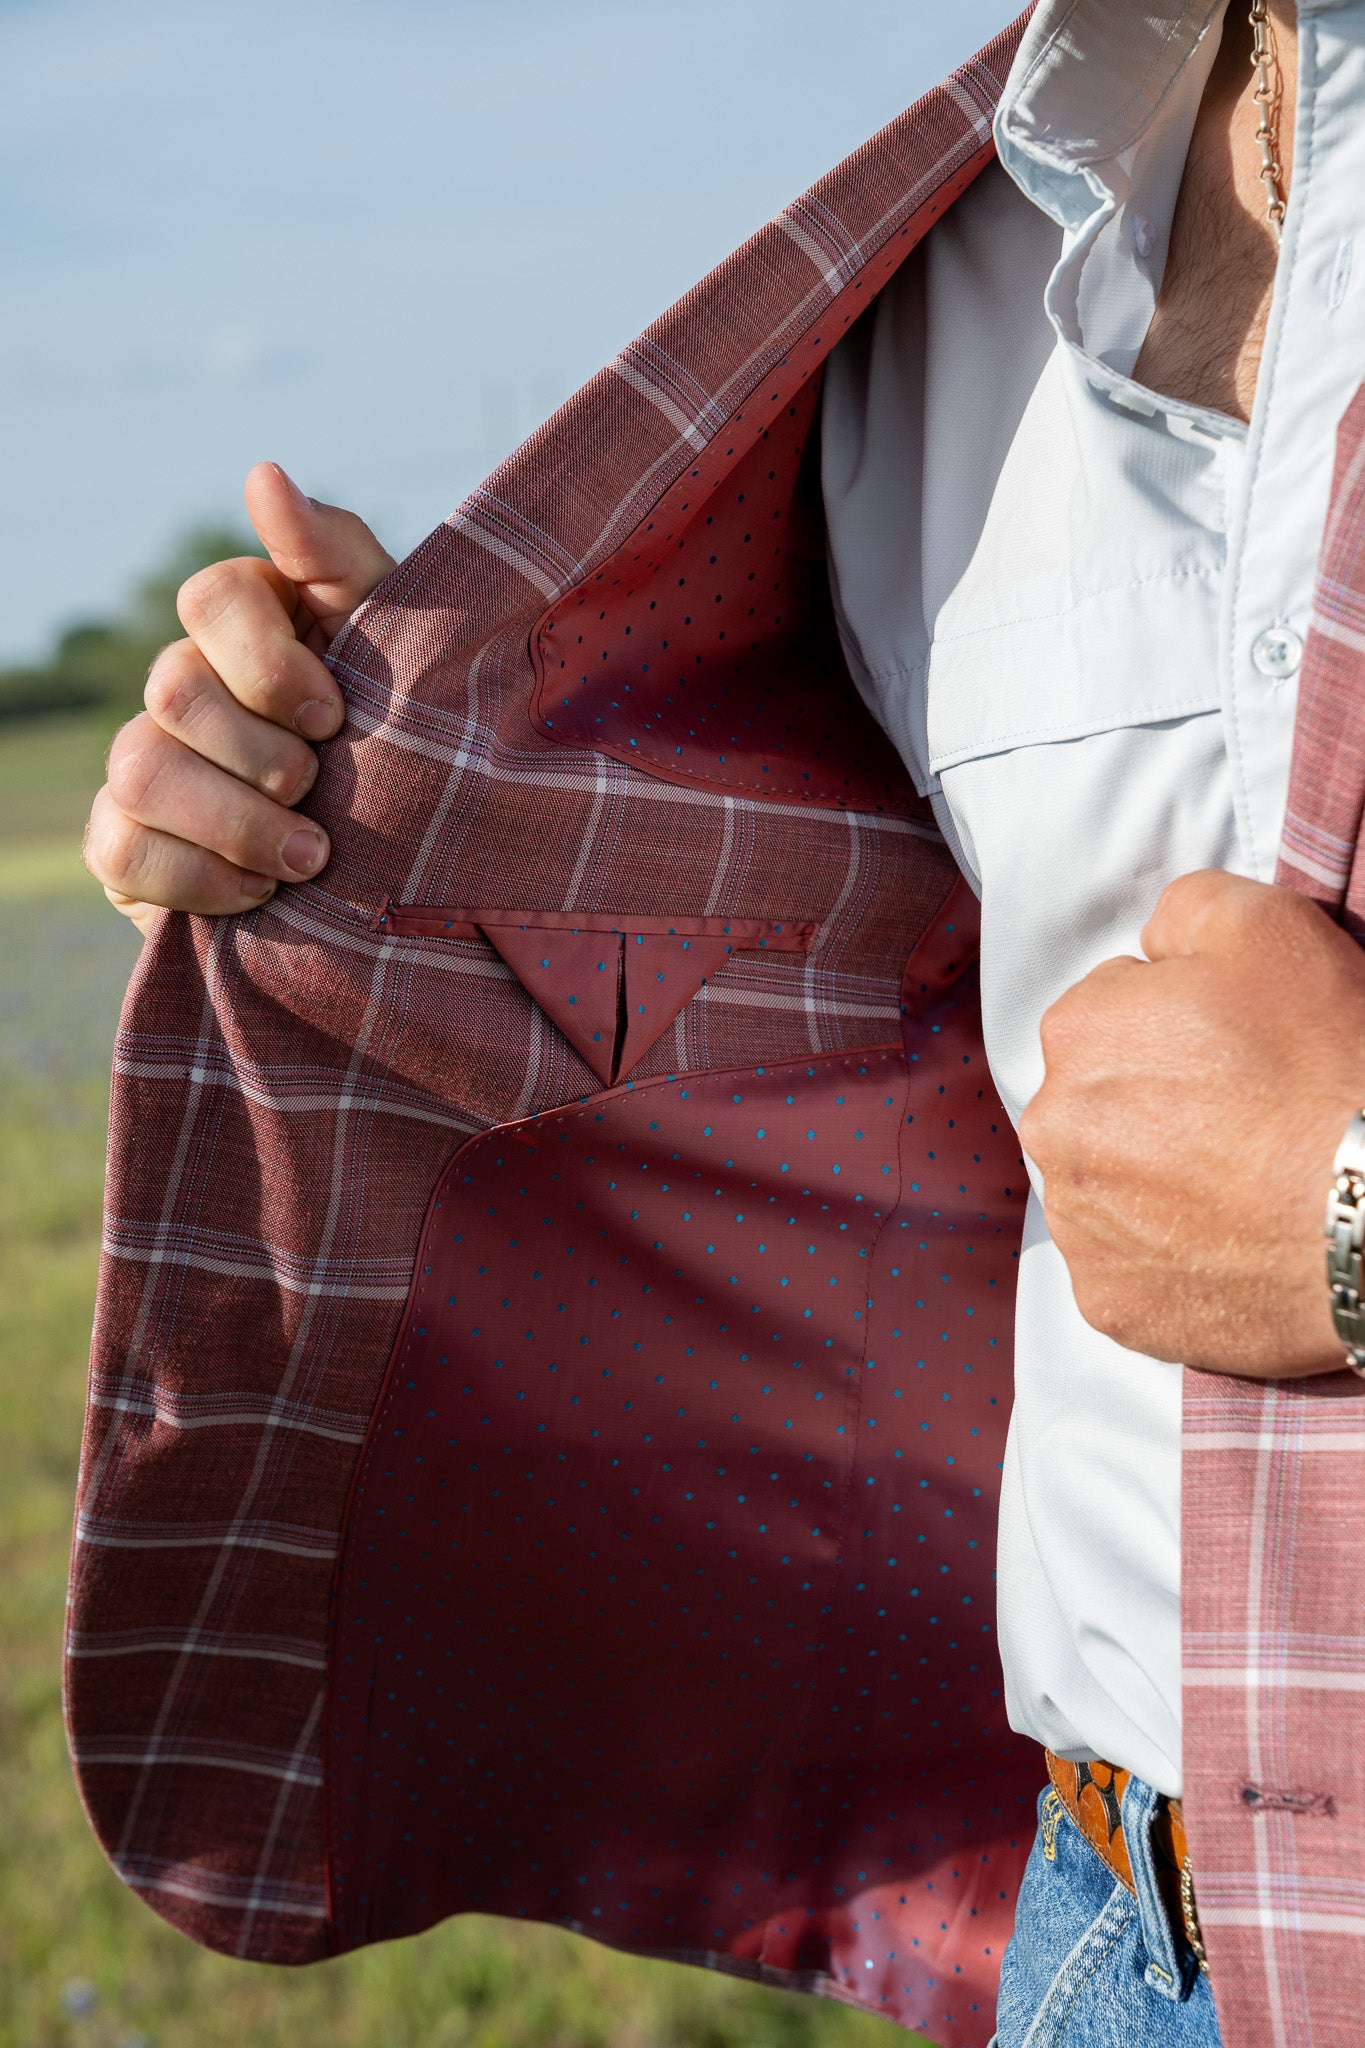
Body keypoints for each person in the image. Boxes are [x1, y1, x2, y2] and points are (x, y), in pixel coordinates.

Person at [79, 2, 1365, 2043]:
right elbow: (881, 961)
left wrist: (1349, 1206)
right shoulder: (951, 282)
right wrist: (369, 791)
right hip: (1117, 1929)